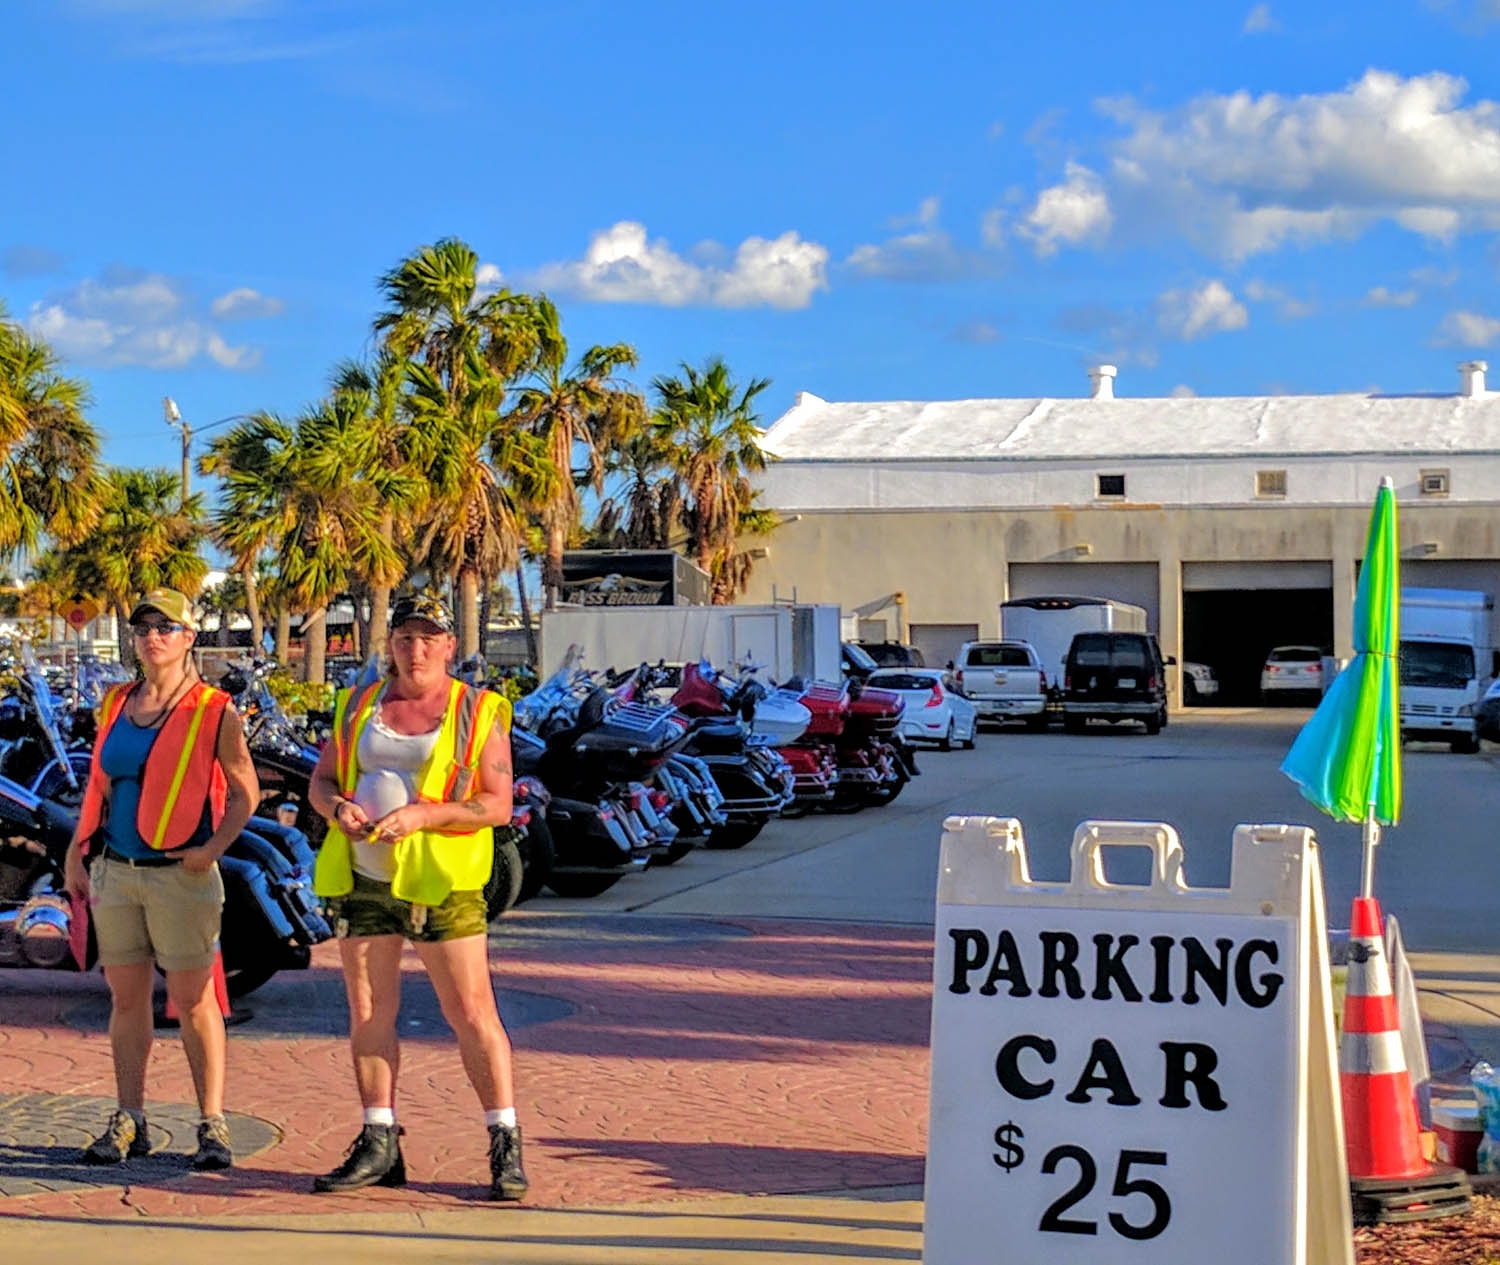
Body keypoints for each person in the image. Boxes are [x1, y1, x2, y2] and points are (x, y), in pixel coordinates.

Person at [306, 592, 528, 1200]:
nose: (417, 648)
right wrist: (338, 808)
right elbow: (321, 781)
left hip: (443, 882)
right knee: (370, 1011)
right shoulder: (358, 705)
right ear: (391, 644)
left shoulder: (477, 709)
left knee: (471, 1012)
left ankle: (503, 1141)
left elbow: (497, 803)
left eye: (430, 636)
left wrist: (426, 817)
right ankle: (380, 1140)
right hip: (365, 877)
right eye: (406, 636)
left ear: (450, 646)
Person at [62, 587, 259, 1169]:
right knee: (126, 1002)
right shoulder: (116, 702)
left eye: (166, 627)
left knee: (194, 1002)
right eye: (144, 627)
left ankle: (211, 1122)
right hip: (116, 873)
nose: (153, 637)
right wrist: (79, 849)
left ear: (189, 637)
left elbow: (246, 790)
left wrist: (213, 849)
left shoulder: (213, 709)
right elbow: (99, 782)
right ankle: (130, 1118)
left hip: (180, 875)